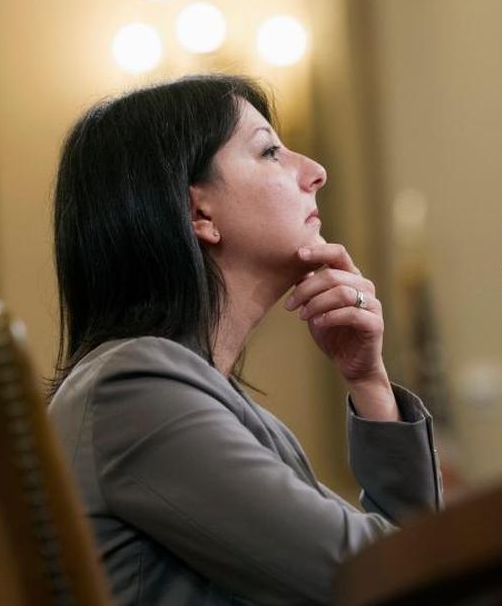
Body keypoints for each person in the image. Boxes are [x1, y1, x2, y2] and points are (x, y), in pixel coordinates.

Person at [47, 75, 442, 606]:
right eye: (270, 151)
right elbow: (380, 577)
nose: (315, 172)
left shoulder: (183, 389)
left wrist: (367, 381)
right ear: (198, 214)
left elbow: (415, 565)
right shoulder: (135, 391)